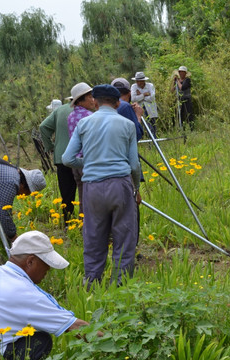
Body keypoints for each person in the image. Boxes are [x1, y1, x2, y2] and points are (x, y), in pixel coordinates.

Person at [0, 231, 100, 360]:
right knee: (40, 341)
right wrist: (112, 341)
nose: (47, 270)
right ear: (30, 261)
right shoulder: (25, 294)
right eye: (46, 265)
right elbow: (74, 326)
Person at [62, 84, 142, 287]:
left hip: (92, 188)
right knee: (124, 237)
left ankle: (91, 284)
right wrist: (136, 189)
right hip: (120, 186)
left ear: (95, 102)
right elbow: (133, 164)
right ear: (117, 103)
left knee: (94, 236)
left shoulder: (84, 124)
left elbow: (68, 158)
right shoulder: (127, 125)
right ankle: (120, 287)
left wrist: (88, 163)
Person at [39, 99, 75, 221]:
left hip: (61, 156)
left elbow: (43, 127)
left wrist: (50, 146)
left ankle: (67, 220)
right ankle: (84, 220)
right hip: (81, 157)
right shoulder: (88, 110)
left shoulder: (60, 110)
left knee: (66, 191)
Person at [67, 82, 96, 213]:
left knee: (82, 193)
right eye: (90, 97)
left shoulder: (71, 116)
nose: (93, 100)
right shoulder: (90, 117)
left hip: (76, 163)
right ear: (80, 100)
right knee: (93, 195)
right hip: (88, 161)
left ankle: (82, 221)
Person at [131, 72, 158, 138]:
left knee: (153, 125)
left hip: (150, 109)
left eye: (140, 81)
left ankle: (154, 141)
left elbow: (152, 98)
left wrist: (140, 96)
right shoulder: (134, 86)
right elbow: (133, 99)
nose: (138, 83)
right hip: (140, 109)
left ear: (143, 81)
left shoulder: (150, 86)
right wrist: (144, 94)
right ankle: (149, 142)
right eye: (137, 81)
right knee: (145, 127)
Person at [172, 65, 194, 130]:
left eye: (183, 72)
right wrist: (174, 81)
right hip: (179, 100)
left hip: (187, 99)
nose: (181, 73)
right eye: (180, 72)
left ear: (185, 73)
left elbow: (182, 88)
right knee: (180, 115)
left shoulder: (187, 80)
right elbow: (172, 90)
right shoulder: (177, 81)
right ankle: (182, 128)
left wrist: (177, 81)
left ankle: (191, 128)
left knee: (189, 114)